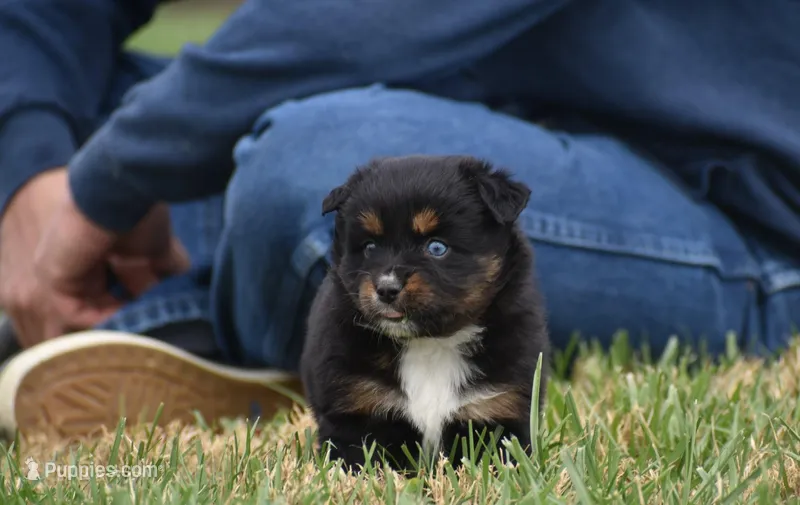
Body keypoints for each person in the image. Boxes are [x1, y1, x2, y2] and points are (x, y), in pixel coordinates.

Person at [0, 0, 798, 438]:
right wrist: (34, 161)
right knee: (75, 111)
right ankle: (145, 308)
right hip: (451, 105)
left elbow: (366, 17)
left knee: (308, 166)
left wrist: (96, 187)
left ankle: (163, 323)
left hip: (717, 192)